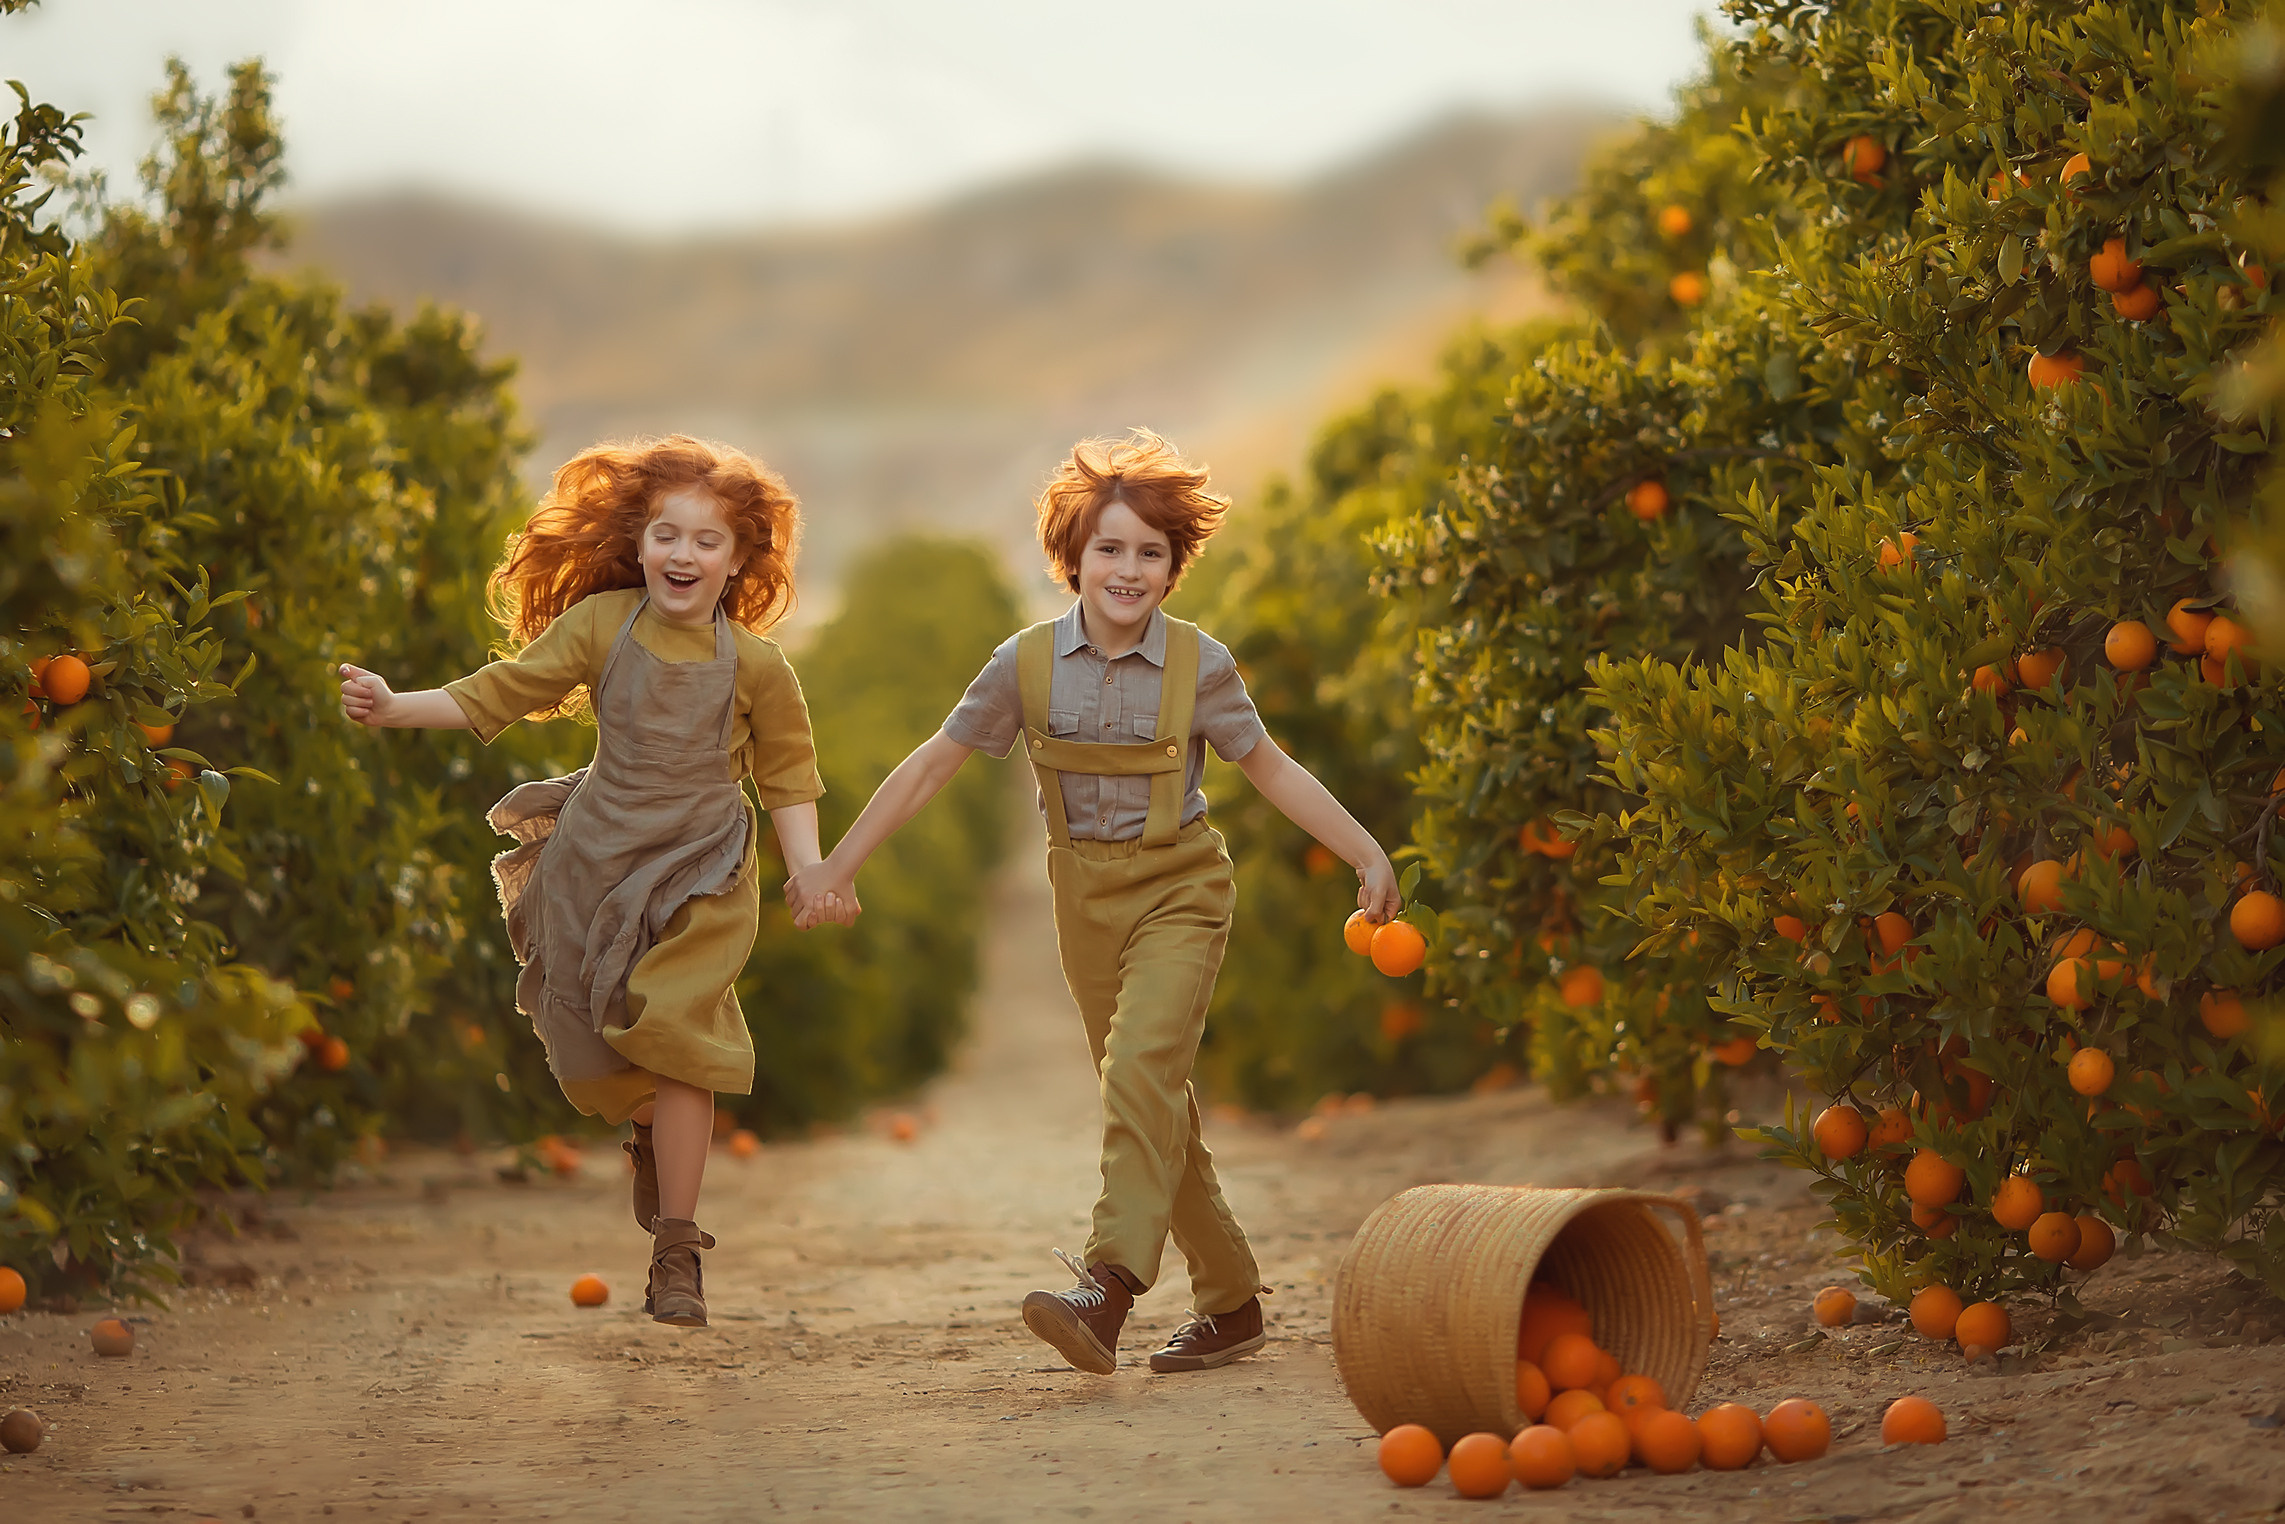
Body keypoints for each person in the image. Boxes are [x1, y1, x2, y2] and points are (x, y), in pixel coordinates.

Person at [788, 429, 1400, 1374]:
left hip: (1181, 887)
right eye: (1108, 549)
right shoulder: (1024, 665)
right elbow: (932, 766)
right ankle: (1232, 1303)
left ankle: (1107, 1287)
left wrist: (1361, 849)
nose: (1128, 569)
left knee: (1136, 1076)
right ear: (1070, 558)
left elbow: (1269, 768)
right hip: (1082, 899)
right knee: (1155, 1100)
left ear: (1173, 565)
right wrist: (837, 865)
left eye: (1149, 552)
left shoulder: (1203, 666)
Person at [339, 434, 836, 1329]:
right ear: (640, 543)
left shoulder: (760, 669)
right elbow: (499, 691)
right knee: (589, 1051)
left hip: (702, 870)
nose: (682, 554)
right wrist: (392, 705)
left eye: (706, 541)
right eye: (665, 535)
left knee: (683, 1035)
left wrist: (809, 873)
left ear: (737, 561)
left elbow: (790, 779)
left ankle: (677, 1252)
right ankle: (645, 1130)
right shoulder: (603, 626)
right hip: (597, 862)